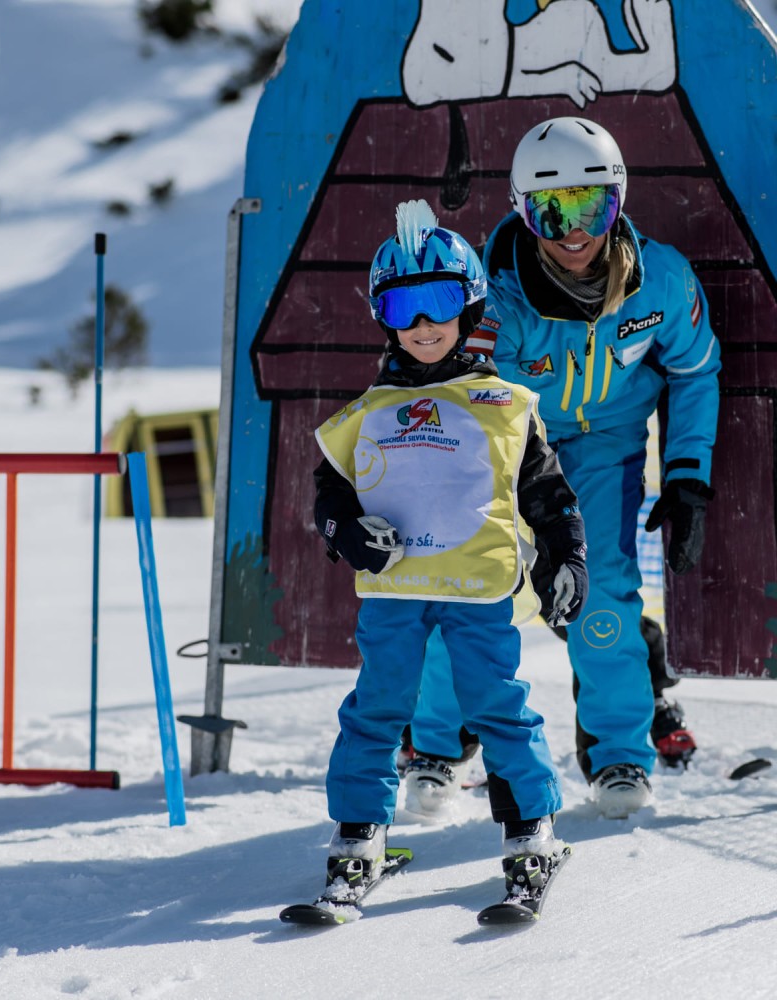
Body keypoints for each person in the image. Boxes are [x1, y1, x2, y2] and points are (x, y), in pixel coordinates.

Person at [402, 117, 720, 821]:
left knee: (603, 585)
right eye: (551, 211)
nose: (572, 231)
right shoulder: (495, 300)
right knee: (474, 576)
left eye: (591, 208)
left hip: (608, 441)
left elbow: (697, 371)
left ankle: (619, 755)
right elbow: (471, 397)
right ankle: (433, 744)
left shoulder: (660, 281)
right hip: (511, 444)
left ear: (619, 202)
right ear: (522, 209)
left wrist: (689, 472)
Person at [311, 199, 587, 903]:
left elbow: (549, 496)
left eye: (438, 303)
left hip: (478, 589)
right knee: (376, 708)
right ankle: (356, 836)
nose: (424, 325)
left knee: (497, 706)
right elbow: (329, 497)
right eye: (405, 309)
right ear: (385, 317)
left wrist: (566, 558)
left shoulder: (505, 404)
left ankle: (531, 831)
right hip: (394, 593)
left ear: (468, 307)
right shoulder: (367, 412)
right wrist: (346, 532)